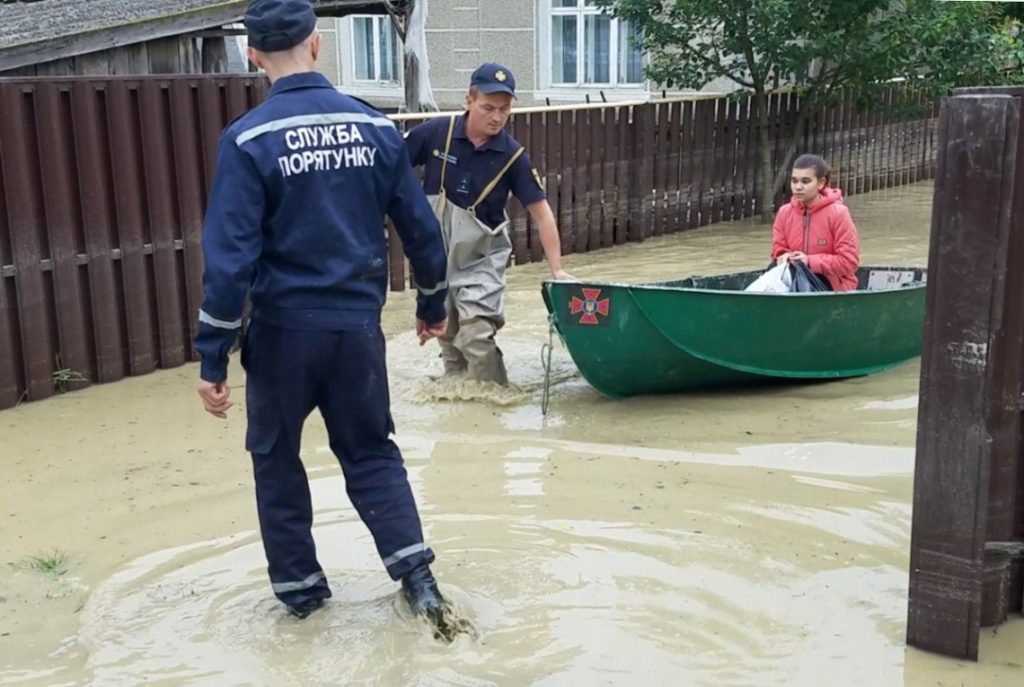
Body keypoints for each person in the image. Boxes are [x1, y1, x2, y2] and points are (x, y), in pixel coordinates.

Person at [194, 0, 452, 632]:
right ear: (317, 45)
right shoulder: (376, 128)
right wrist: (431, 304)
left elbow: (229, 263)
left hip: (283, 336)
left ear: (253, 55)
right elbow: (423, 232)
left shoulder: (248, 139)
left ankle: (304, 602)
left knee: (277, 459)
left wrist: (212, 355)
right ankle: (419, 584)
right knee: (370, 453)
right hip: (357, 334)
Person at [404, 63, 572, 386]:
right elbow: (389, 161)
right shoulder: (437, 133)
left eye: (504, 109)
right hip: (438, 256)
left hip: (483, 257)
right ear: (469, 100)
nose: (497, 117)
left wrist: (557, 269)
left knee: (476, 333)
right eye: (488, 108)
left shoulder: (513, 156)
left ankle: (497, 398)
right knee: (449, 335)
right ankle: (462, 412)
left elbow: (542, 212)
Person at [771, 154, 860, 291]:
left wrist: (809, 261)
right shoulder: (784, 213)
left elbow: (849, 262)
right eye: (794, 181)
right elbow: (778, 250)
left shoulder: (838, 214)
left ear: (821, 183)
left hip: (832, 286)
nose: (798, 187)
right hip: (793, 280)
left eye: (805, 181)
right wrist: (784, 257)